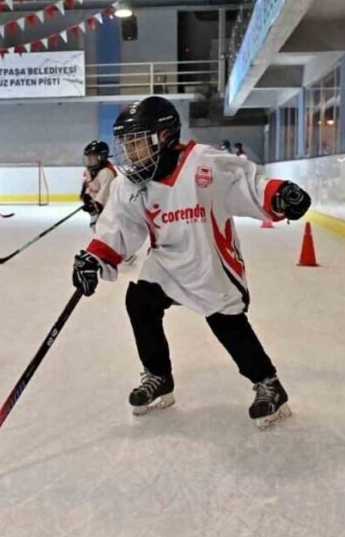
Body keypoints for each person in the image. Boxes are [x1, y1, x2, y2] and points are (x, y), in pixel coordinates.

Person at [70, 96, 311, 429]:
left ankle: (268, 384)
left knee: (226, 322)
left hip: (207, 260)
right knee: (139, 301)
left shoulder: (204, 164)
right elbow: (120, 227)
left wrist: (279, 194)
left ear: (165, 136)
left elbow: (247, 184)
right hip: (166, 262)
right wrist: (95, 257)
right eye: (126, 143)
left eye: (137, 142)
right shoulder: (130, 184)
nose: (131, 152)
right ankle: (159, 377)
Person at [80, 140, 116, 230]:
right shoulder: (89, 171)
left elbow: (105, 193)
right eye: (88, 159)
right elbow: (90, 186)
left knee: (104, 230)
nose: (89, 161)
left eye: (92, 158)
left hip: (109, 210)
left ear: (102, 157)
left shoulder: (106, 173)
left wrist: (96, 205)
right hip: (98, 210)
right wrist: (87, 195)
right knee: (96, 227)